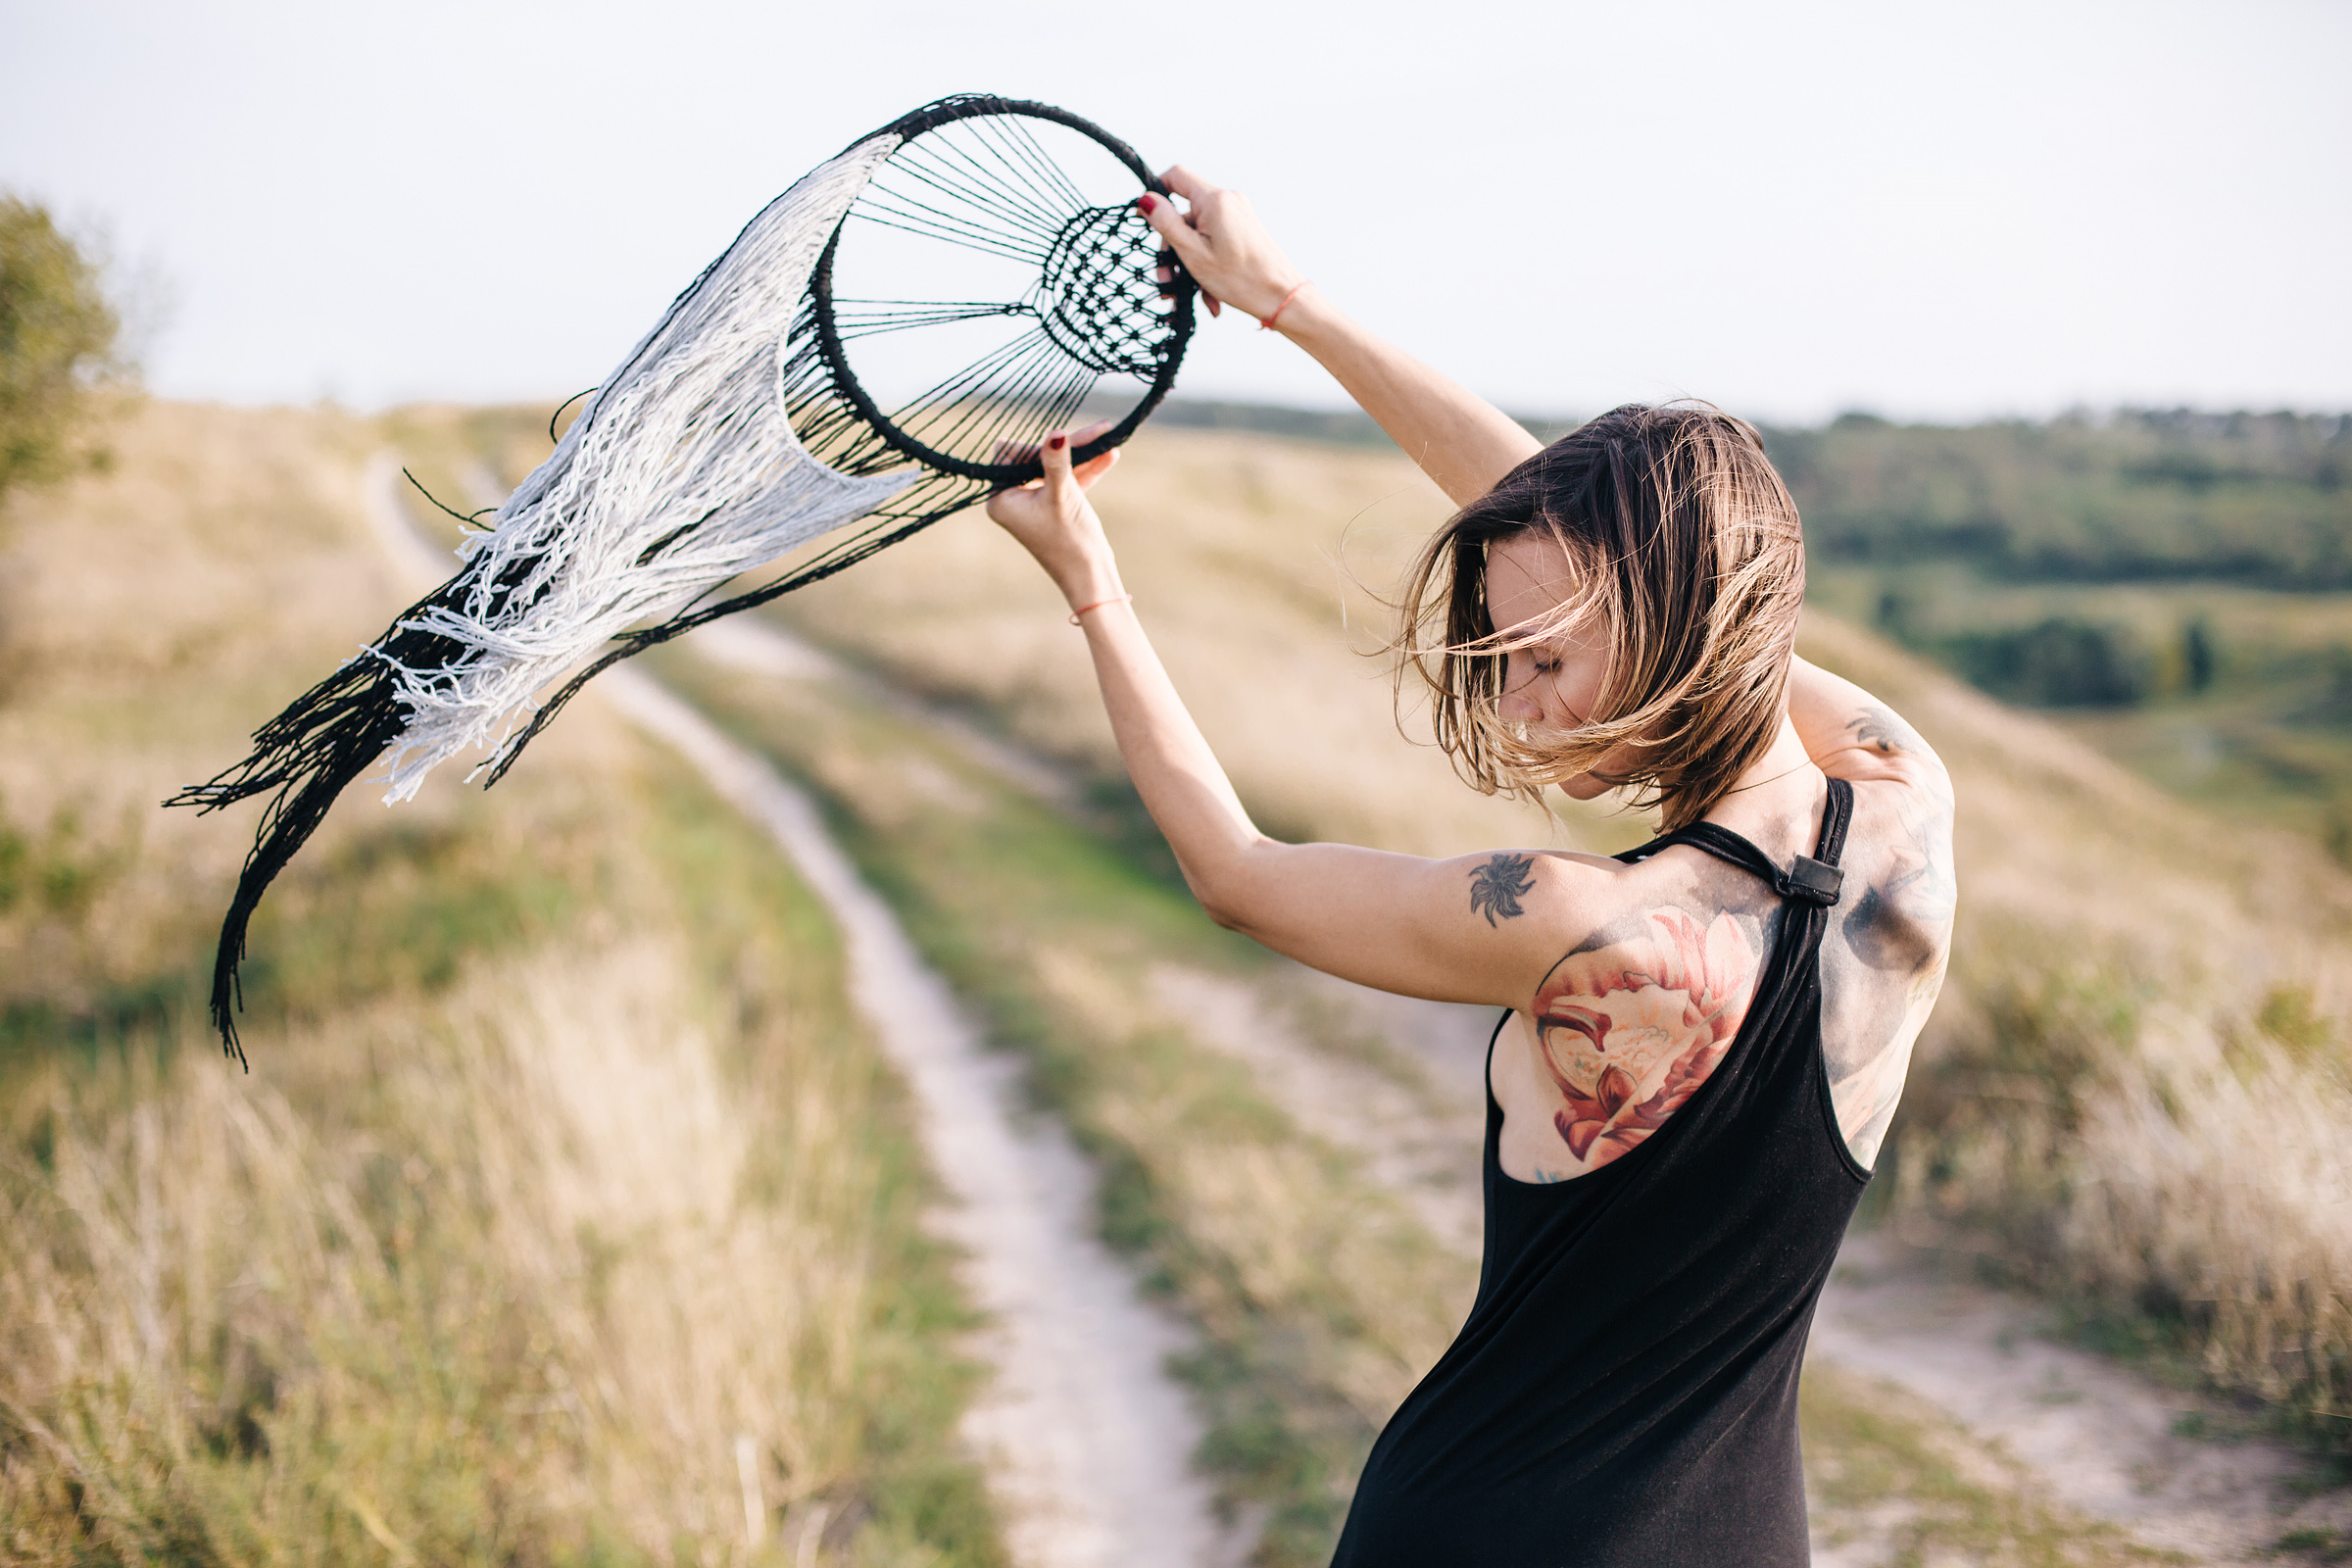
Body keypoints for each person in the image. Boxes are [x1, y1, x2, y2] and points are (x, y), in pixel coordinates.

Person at [984, 168, 1957, 1566]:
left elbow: (1239, 872)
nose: (1514, 707)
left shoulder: (1580, 925)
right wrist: (1285, 307)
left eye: (1542, 661)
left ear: (1677, 625)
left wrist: (1091, 583)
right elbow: (1620, 558)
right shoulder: (1909, 824)